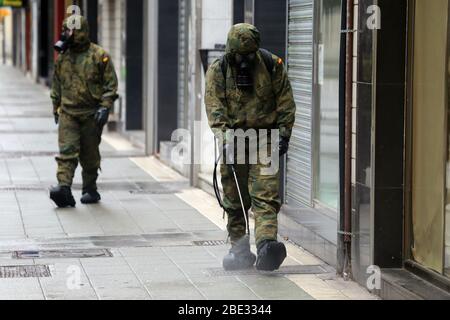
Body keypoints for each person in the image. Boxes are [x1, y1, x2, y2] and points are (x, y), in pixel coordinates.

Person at [205, 23, 296, 271]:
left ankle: (267, 246)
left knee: (265, 196)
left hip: (266, 140)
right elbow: (215, 109)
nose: (244, 61)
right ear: (230, 52)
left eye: (249, 56)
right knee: (234, 200)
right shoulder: (218, 70)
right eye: (239, 56)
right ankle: (240, 250)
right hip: (234, 141)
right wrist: (225, 140)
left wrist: (284, 135)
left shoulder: (271, 65)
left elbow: (285, 102)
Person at [49, 15, 118, 208]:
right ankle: (64, 187)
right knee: (66, 152)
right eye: (65, 31)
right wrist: (55, 107)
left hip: (91, 114)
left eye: (70, 31)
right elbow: (56, 85)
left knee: (89, 155)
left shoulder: (99, 55)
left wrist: (105, 107)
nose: (66, 35)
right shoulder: (63, 57)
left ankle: (89, 188)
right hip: (68, 113)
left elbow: (110, 85)